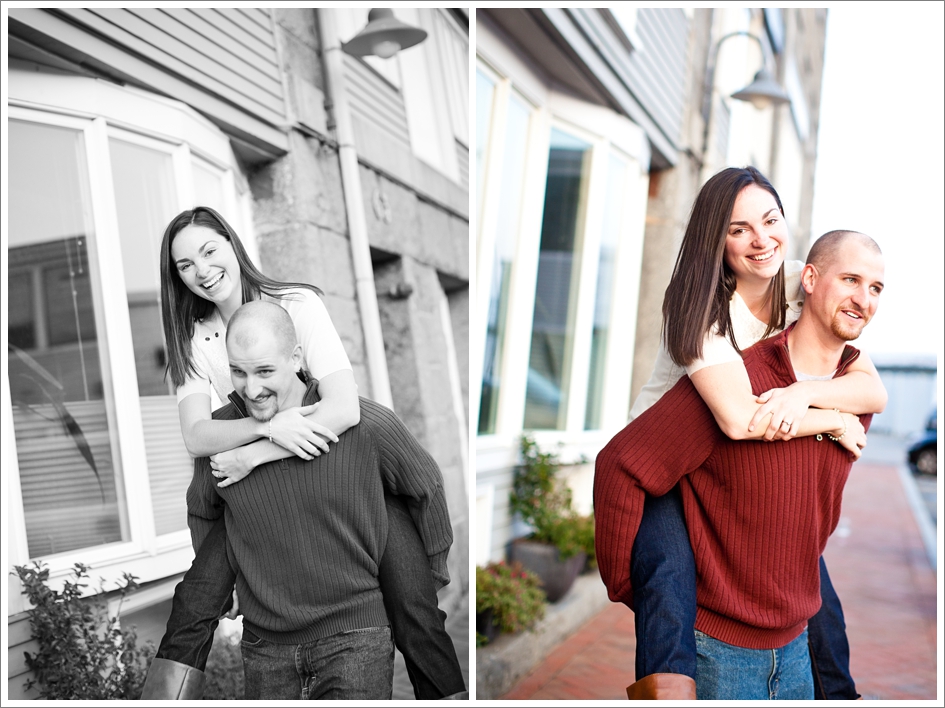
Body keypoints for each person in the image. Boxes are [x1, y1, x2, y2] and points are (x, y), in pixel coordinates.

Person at [141, 207, 466, 699]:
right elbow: (197, 437)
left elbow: (342, 409)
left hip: (344, 463)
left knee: (414, 606)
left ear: (232, 243)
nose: (201, 271)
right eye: (184, 265)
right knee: (194, 600)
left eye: (208, 251)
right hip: (255, 491)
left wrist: (257, 452)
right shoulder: (193, 339)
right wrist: (266, 425)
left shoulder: (295, 302)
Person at [612, 168, 886, 700]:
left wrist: (805, 395)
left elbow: (870, 389)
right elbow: (740, 419)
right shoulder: (698, 308)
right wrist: (832, 418)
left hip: (729, 457)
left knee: (810, 593)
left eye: (770, 220)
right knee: (669, 588)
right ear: (715, 241)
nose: (761, 241)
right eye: (738, 230)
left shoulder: (797, 294)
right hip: (666, 468)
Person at [182, 300, 452, 699]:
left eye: (265, 371)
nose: (251, 389)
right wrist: (230, 589)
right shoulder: (222, 435)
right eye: (238, 371)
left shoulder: (365, 425)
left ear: (295, 358)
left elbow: (426, 488)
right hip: (264, 649)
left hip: (355, 640)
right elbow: (202, 512)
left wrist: (424, 578)